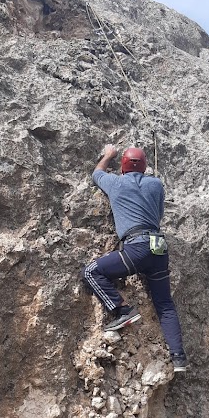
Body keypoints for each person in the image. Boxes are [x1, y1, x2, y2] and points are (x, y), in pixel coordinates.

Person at [82, 145, 187, 372]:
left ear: (122, 168)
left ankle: (123, 311)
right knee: (164, 304)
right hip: (158, 247)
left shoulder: (115, 183)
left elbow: (96, 174)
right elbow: (157, 216)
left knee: (91, 272)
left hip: (136, 246)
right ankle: (178, 357)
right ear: (145, 166)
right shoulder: (156, 184)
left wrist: (108, 155)